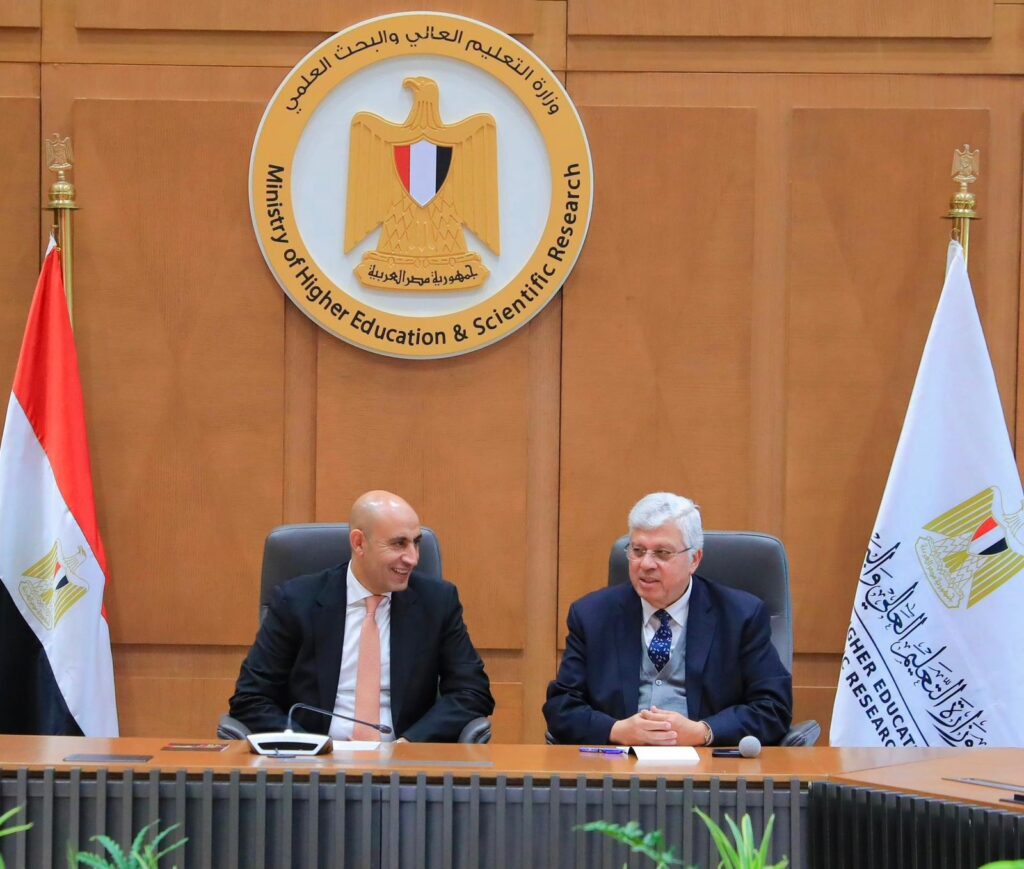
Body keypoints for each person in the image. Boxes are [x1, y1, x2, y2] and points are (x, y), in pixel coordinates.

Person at [229, 491, 494, 742]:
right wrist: (308, 747)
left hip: (405, 761)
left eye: (416, 543)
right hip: (314, 763)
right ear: (359, 543)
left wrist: (410, 744)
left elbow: (471, 692)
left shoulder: (437, 602)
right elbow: (251, 698)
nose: (412, 558)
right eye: (399, 544)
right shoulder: (296, 601)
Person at [543, 492, 792, 747]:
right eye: (638, 551)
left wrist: (704, 732)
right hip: (619, 763)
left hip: (707, 765)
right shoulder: (592, 615)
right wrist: (616, 730)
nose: (646, 564)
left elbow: (773, 707)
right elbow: (561, 706)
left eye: (662, 553)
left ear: (694, 559)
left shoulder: (741, 616)